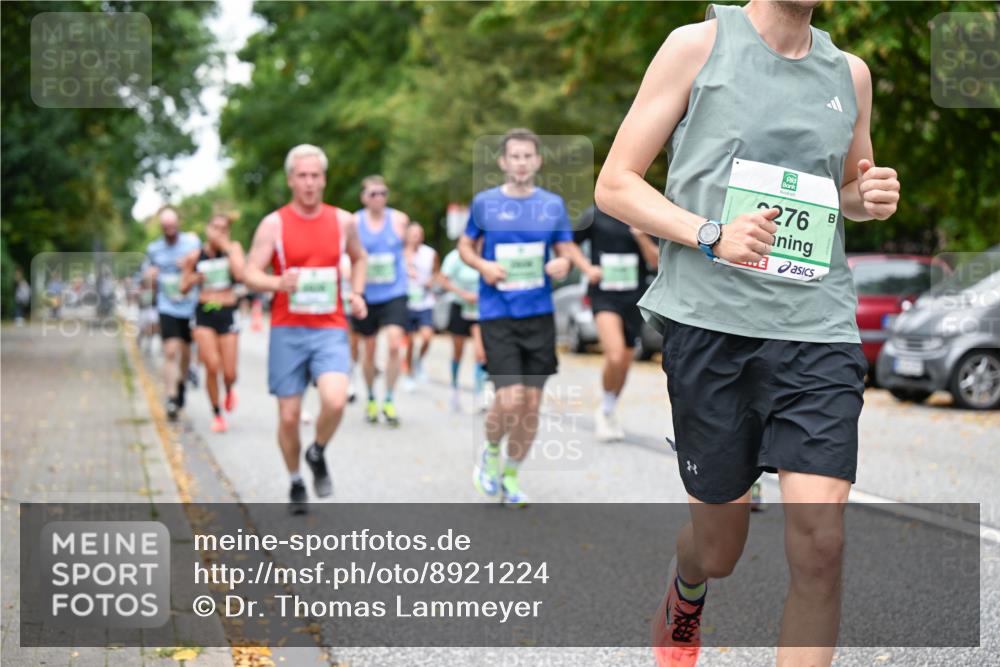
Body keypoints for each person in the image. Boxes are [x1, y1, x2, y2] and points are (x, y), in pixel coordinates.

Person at [594, 2, 900, 666]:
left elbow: (844, 189)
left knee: (821, 543)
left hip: (817, 327)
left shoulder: (851, 73)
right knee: (718, 550)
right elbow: (615, 184)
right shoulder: (696, 46)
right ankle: (687, 588)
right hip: (713, 328)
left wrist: (867, 196)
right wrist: (711, 234)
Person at [459, 128, 592, 507]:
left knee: (532, 406)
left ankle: (512, 474)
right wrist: (483, 265)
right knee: (511, 397)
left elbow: (564, 247)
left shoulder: (551, 205)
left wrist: (564, 263)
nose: (520, 162)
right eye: (513, 156)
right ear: (503, 162)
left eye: (527, 156)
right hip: (498, 312)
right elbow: (465, 246)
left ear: (538, 161)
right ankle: (489, 451)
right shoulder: (485, 203)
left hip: (539, 314)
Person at [243, 144, 368, 514]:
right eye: (302, 176)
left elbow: (360, 258)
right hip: (288, 329)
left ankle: (317, 452)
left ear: (324, 179)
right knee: (288, 416)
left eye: (316, 176)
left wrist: (357, 292)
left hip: (330, 326)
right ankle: (296, 479)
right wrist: (277, 283)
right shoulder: (274, 224)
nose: (310, 183)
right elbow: (250, 272)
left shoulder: (344, 221)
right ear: (290, 180)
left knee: (334, 399)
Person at [573, 205, 659, 442]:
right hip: (604, 295)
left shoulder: (644, 215)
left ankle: (609, 408)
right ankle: (603, 410)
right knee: (615, 355)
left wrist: (641, 236)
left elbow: (656, 262)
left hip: (634, 297)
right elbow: (569, 244)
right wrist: (586, 268)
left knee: (626, 360)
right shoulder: (594, 215)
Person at [180, 212, 246, 433]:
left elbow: (240, 274)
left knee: (229, 372)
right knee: (212, 365)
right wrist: (192, 279)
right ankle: (217, 414)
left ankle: (228, 388)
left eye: (224, 228)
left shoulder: (233, 249)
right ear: (207, 229)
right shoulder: (194, 256)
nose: (219, 232)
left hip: (227, 312)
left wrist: (226, 247)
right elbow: (182, 287)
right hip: (204, 314)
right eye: (215, 228)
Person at [354, 175, 411, 426]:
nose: (379, 198)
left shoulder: (399, 220)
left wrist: (409, 266)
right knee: (369, 350)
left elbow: (408, 247)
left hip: (394, 293)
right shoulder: (354, 222)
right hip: (368, 295)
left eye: (383, 193)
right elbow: (349, 255)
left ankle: (388, 398)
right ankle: (370, 398)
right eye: (373, 193)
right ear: (364, 197)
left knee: (394, 345)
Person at [144, 206, 201, 421]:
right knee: (170, 351)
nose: (169, 230)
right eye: (165, 226)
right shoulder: (154, 249)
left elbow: (202, 267)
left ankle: (181, 384)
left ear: (178, 224)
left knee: (186, 353)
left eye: (172, 226)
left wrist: (189, 266)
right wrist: (150, 276)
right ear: (161, 227)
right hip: (166, 305)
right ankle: (170, 396)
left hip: (189, 305)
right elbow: (146, 277)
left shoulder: (192, 243)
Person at [438, 245, 487, 412]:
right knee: (458, 352)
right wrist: (462, 294)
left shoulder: (487, 253)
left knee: (481, 354)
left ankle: (479, 393)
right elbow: (443, 279)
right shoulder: (455, 257)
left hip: (479, 309)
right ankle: (454, 386)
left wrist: (481, 295)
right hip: (460, 306)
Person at [402, 222, 439, 390]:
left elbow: (437, 273)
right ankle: (408, 374)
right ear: (407, 235)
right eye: (413, 233)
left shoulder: (430, 254)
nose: (416, 237)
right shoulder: (400, 253)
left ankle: (418, 361)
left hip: (425, 301)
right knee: (409, 341)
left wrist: (432, 281)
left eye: (419, 234)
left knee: (427, 337)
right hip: (407, 302)